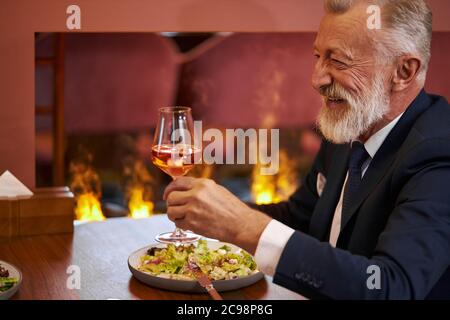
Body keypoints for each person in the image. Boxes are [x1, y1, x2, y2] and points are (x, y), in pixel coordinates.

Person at [163, 0, 450, 299]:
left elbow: (391, 287)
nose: (317, 79)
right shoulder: (351, 122)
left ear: (404, 71)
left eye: (339, 62)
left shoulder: (439, 154)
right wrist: (219, 213)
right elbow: (302, 218)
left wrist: (246, 228)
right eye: (318, 56)